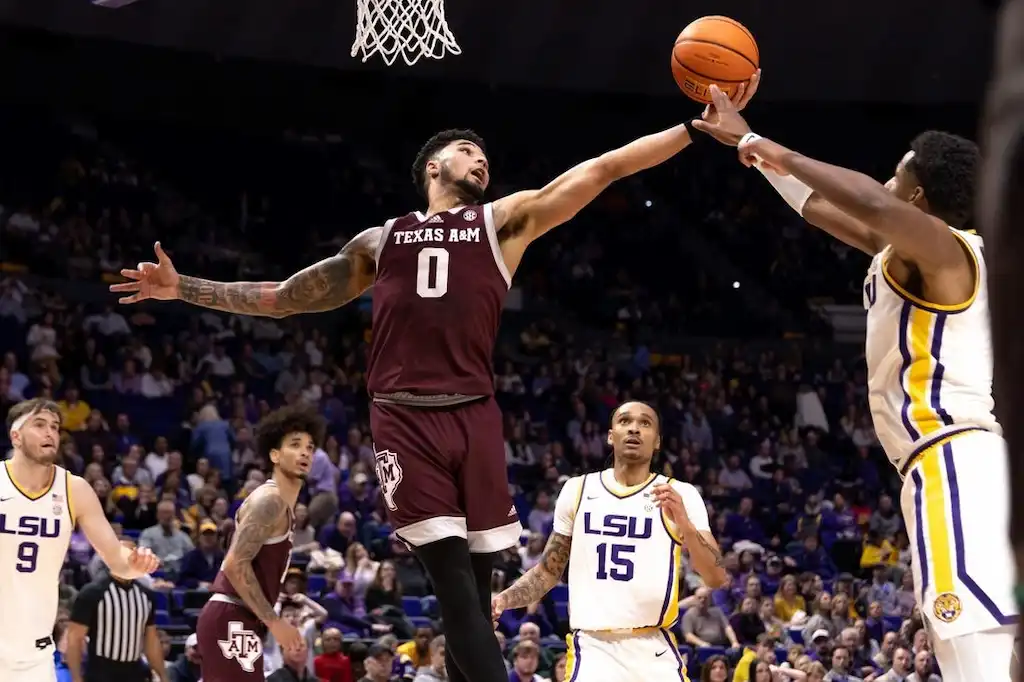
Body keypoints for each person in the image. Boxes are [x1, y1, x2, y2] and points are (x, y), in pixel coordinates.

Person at [109, 75, 760, 682]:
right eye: (467, 151)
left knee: (473, 595)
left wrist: (692, 129)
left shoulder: (504, 222)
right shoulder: (379, 241)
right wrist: (184, 288)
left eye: (485, 156)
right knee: (452, 586)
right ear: (432, 168)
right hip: (404, 420)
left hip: (474, 418)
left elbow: (604, 168)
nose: (481, 161)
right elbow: (285, 296)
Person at [692, 84, 1017, 681]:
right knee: (973, 637)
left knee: (971, 641)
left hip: (953, 458)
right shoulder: (906, 253)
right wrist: (751, 149)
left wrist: (761, 141)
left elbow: (870, 201)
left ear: (917, 195)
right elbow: (818, 204)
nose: (884, 184)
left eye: (895, 178)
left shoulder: (948, 252)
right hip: (945, 464)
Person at [491, 401, 727, 682]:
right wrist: (503, 599)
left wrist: (685, 524)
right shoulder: (577, 490)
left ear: (658, 442)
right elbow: (547, 572)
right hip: (593, 649)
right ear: (610, 435)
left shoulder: (680, 494)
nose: (634, 429)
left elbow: (715, 577)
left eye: (645, 423)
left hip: (654, 647)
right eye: (625, 421)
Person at [0, 398, 160, 682]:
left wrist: (135, 564)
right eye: (39, 425)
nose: (50, 432)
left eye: (55, 426)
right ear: (16, 435)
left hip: (33, 652)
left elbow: (116, 559)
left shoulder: (74, 489)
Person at [195, 403, 326, 682]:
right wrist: (276, 623)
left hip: (244, 617)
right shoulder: (269, 500)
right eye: (295, 444)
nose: (305, 452)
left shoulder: (285, 507)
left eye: (310, 446)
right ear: (275, 455)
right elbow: (234, 566)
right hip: (230, 614)